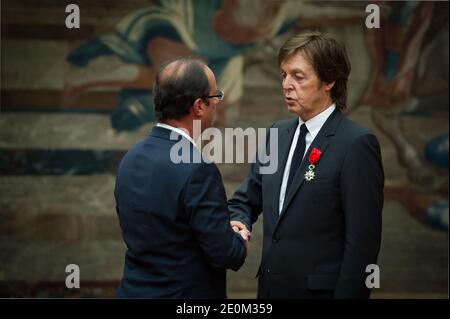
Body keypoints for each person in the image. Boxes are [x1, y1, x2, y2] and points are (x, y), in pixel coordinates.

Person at [229, 31, 384, 299]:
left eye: (298, 77)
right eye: (283, 75)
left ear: (329, 81)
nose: (287, 85)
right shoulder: (277, 134)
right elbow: (245, 199)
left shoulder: (356, 144)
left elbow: (362, 246)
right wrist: (238, 221)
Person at [114, 57, 249, 298]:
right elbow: (227, 253)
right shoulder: (197, 168)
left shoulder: (130, 158)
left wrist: (217, 229)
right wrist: (238, 236)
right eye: (215, 96)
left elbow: (165, 229)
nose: (217, 103)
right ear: (199, 106)